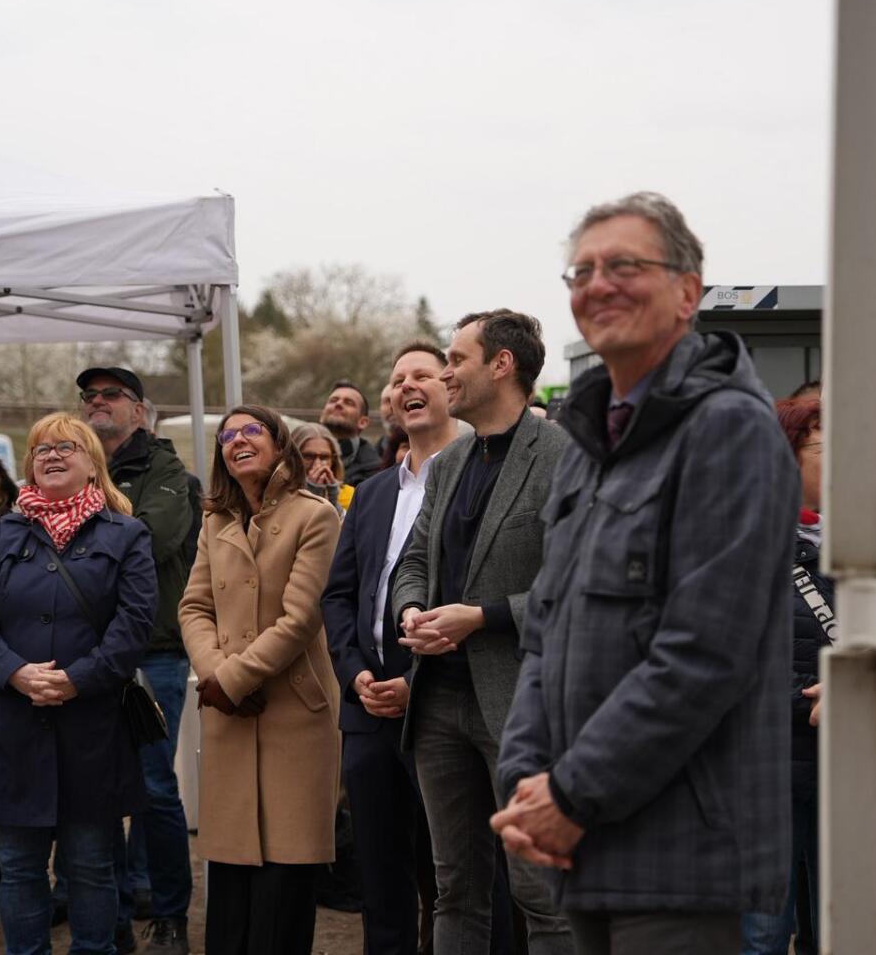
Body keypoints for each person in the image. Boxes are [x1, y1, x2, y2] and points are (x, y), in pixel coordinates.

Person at [491, 192, 800, 955]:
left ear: (688, 291)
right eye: (583, 271)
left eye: (626, 266)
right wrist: (525, 782)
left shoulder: (729, 430)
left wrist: (569, 793)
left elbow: (702, 654)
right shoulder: (590, 444)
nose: (599, 284)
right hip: (585, 846)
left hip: (682, 860)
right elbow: (547, 639)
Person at [391, 310, 573, 955]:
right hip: (438, 699)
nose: (445, 373)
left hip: (524, 701)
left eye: (456, 359)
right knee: (454, 890)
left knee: (542, 893)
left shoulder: (564, 458)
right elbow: (414, 561)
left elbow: (580, 586)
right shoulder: (450, 462)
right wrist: (413, 612)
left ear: (502, 365)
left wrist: (482, 617)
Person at [0, 412, 156, 955]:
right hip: (15, 725)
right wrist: (14, 673)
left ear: (93, 463)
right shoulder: (4, 533)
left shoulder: (127, 533)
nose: (51, 455)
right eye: (41, 448)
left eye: (67, 446)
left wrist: (77, 680)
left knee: (91, 865)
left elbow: (135, 623)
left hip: (90, 726)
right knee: (18, 867)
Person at [178, 405, 342, 954]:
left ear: (279, 442)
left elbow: (301, 618)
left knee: (283, 874)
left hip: (292, 713)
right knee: (229, 874)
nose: (237, 440)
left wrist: (236, 680)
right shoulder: (215, 521)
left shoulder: (315, 516)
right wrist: (216, 676)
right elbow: (194, 609)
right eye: (227, 435)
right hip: (226, 706)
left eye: (252, 431)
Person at [322, 341, 457, 955]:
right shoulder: (373, 493)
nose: (407, 385)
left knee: (451, 878)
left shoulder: (474, 479)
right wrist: (356, 677)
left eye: (422, 373)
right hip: (367, 709)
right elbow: (339, 597)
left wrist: (416, 680)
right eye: (397, 377)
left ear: (450, 387)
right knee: (381, 878)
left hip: (441, 707)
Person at [78, 366, 199, 953]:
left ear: (139, 410)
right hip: (87, 655)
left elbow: (150, 542)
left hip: (155, 653)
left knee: (154, 787)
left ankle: (169, 912)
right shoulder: (74, 469)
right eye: (89, 397)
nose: (98, 403)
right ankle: (114, 911)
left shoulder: (168, 472)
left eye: (111, 395)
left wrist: (80, 537)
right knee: (96, 788)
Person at [741, 396, 834, 955]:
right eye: (826, 448)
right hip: (769, 768)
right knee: (763, 934)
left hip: (851, 765)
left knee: (844, 926)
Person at [320, 380, 382, 487]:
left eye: (348, 403)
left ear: (363, 422)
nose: (338, 404)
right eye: (333, 400)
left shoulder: (375, 473)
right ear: (322, 414)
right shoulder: (295, 457)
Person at [291, 422, 355, 516]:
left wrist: (333, 502)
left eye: (324, 457)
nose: (318, 465)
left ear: (334, 459)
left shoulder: (351, 496)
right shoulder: (277, 494)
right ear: (292, 457)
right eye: (308, 456)